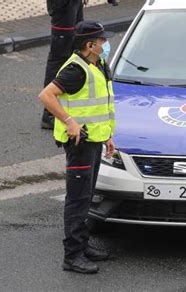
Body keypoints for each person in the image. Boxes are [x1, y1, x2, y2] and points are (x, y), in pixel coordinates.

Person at [38, 20, 116, 274]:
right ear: (89, 44)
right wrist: (69, 121)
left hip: (93, 139)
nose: (106, 45)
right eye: (102, 41)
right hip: (79, 142)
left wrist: (107, 136)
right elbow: (46, 96)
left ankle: (82, 246)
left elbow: (98, 107)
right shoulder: (76, 70)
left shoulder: (98, 64)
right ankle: (72, 256)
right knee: (78, 200)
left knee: (86, 197)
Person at [41, 0, 118, 129]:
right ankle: (49, 114)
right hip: (63, 7)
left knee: (78, 47)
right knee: (59, 58)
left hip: (73, 4)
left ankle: (69, 102)